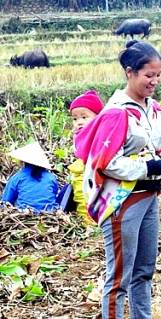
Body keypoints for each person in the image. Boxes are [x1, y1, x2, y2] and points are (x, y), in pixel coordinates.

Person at [74, 39, 161, 319]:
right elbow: (105, 162)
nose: (154, 81)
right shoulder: (116, 114)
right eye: (148, 75)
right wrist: (149, 168)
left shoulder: (153, 108)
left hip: (149, 197)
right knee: (118, 276)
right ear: (130, 72)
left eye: (159, 75)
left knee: (144, 267)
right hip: (122, 201)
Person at [66, 89, 104, 223]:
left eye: (84, 117)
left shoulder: (100, 135)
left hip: (96, 172)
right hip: (83, 171)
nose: (79, 122)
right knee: (81, 196)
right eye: (75, 119)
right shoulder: (78, 136)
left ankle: (93, 221)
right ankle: (85, 219)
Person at [1, 141, 60, 212]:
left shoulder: (17, 177)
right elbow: (54, 194)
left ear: (23, 161)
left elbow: (6, 202)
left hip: (24, 214)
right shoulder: (51, 177)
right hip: (49, 213)